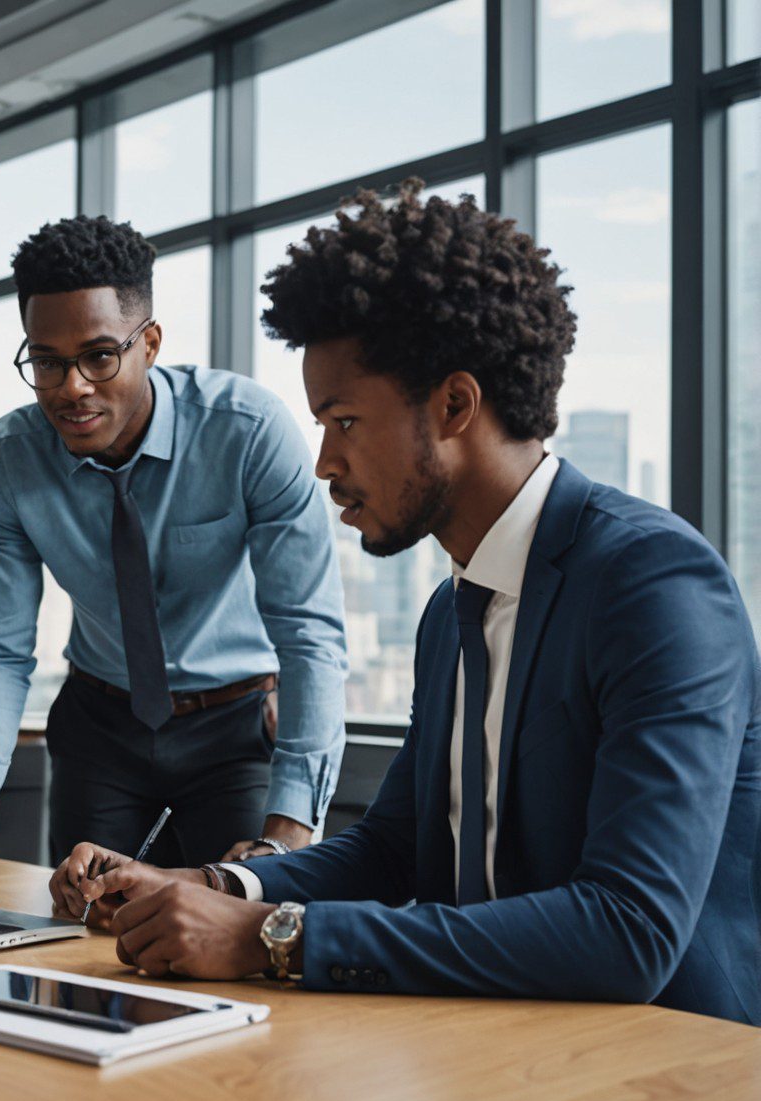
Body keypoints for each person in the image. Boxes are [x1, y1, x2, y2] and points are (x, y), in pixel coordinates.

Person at [56, 182, 760, 1025]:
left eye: (345, 421)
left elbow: (630, 930)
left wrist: (271, 936)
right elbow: (396, 849)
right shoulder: (450, 611)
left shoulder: (651, 585)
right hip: (490, 1045)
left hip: (663, 1071)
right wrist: (207, 886)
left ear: (455, 405)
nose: (323, 462)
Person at [0, 216, 349, 884]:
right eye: (46, 362)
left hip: (234, 725)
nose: (71, 388)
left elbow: (308, 634)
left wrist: (290, 828)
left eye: (99, 356)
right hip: (101, 726)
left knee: (243, 917)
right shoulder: (10, 459)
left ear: (148, 343)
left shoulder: (247, 432)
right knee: (84, 925)